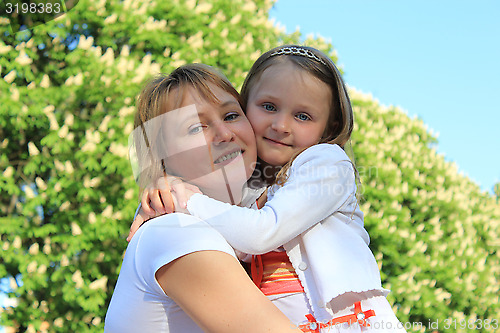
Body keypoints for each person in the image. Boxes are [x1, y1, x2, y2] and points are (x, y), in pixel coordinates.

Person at [131, 45, 407, 332]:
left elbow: (261, 232)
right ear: (246, 105)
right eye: (269, 107)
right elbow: (222, 236)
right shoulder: (253, 187)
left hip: (351, 323)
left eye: (303, 116)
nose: (281, 125)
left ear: (327, 129)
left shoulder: (326, 163)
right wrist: (161, 197)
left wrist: (186, 201)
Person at [104, 63, 303, 333]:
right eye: (196, 128)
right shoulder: (175, 232)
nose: (224, 134)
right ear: (163, 157)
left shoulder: (252, 231)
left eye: (232, 115)